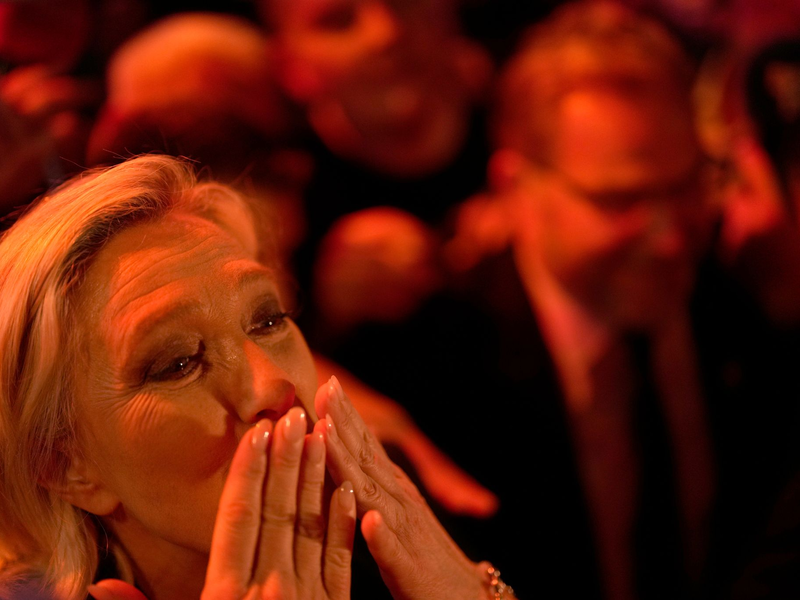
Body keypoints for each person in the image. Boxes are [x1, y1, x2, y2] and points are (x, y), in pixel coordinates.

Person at [322, 3, 800, 599]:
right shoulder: (430, 367)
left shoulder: (748, 309)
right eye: (620, 202)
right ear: (517, 188)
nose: (670, 236)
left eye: (687, 185)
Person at [0, 155, 515, 600]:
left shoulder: (395, 538)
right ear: (67, 467)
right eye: (178, 363)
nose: (272, 385)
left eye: (267, 320)